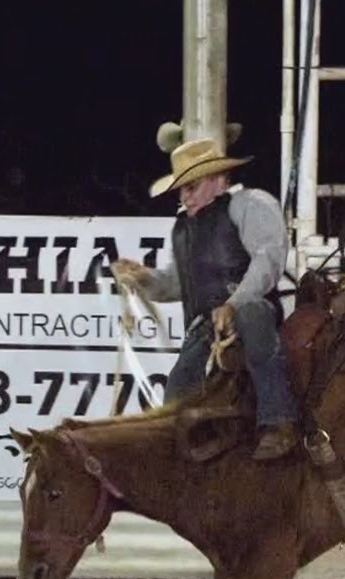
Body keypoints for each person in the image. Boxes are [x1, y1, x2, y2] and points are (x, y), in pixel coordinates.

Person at [112, 136, 299, 461]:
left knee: (252, 315)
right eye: (182, 189)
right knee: (177, 394)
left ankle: (279, 420)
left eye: (192, 187)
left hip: (252, 313)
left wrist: (234, 303)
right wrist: (143, 278)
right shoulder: (184, 229)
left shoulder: (249, 204)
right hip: (204, 328)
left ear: (218, 181)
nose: (185, 196)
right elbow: (174, 284)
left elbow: (268, 258)